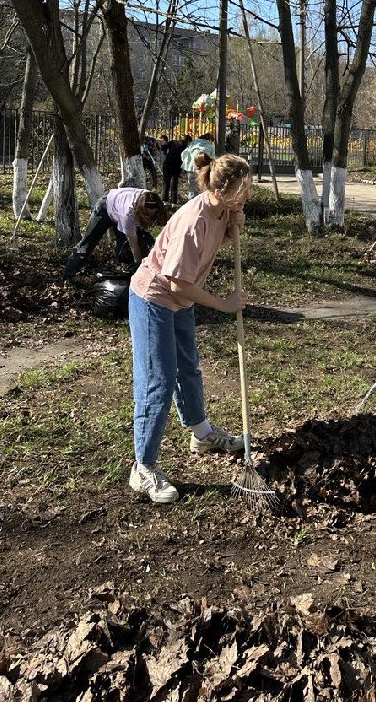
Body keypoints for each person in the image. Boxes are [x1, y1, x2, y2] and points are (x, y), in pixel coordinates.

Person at [128, 153, 251, 504]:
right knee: (159, 381)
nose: (247, 196)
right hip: (154, 298)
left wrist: (233, 224)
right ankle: (144, 467)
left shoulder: (221, 209)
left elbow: (212, 242)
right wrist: (223, 303)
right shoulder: (192, 221)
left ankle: (201, 433)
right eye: (243, 191)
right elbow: (178, 282)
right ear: (222, 189)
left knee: (188, 367)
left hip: (179, 301)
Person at [63, 189, 168, 281]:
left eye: (152, 214)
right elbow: (134, 245)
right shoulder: (128, 214)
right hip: (104, 208)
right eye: (147, 214)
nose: (149, 217)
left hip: (119, 206)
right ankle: (68, 276)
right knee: (87, 245)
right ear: (140, 210)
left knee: (124, 249)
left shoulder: (151, 198)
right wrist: (139, 264)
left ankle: (124, 274)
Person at [182, 133, 215, 200]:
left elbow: (183, 154)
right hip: (203, 168)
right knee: (203, 187)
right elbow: (212, 159)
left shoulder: (193, 143)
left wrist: (187, 163)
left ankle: (191, 202)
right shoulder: (210, 146)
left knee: (192, 188)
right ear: (210, 139)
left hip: (191, 168)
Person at [162, 134, 192, 206]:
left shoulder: (173, 142)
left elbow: (163, 147)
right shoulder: (186, 147)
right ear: (188, 141)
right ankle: (173, 202)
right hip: (176, 167)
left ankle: (164, 200)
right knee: (174, 184)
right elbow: (185, 158)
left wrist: (166, 154)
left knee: (166, 183)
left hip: (167, 164)